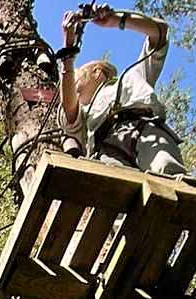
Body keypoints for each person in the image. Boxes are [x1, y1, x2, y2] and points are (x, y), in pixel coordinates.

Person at [59, 4, 186, 176]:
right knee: (114, 190)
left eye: (77, 77)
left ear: (97, 72)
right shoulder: (83, 115)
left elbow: (160, 32)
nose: (72, 83)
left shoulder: (133, 77)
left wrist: (117, 20)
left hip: (146, 130)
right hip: (106, 151)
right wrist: (68, 51)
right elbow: (68, 107)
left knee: (167, 170)